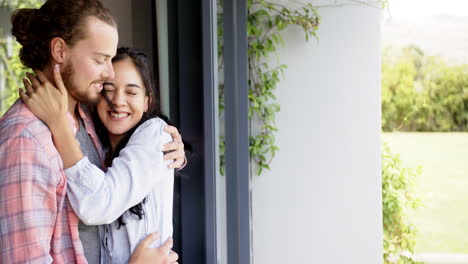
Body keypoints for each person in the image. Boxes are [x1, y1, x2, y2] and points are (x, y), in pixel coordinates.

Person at [0, 0, 183, 263]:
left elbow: (119, 174)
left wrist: (172, 147)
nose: (109, 74)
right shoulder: (25, 139)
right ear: (60, 50)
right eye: (100, 60)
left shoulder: (86, 116)